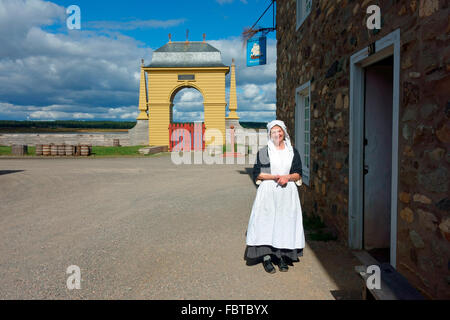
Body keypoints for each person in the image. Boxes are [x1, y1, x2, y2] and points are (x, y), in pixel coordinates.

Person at [244, 120, 305, 273]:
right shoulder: (265, 152)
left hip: (287, 192)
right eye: (273, 132)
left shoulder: (293, 152)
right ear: (269, 134)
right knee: (266, 222)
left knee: (285, 223)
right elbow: (258, 173)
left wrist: (288, 177)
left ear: (284, 133)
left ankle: (282, 257)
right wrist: (275, 177)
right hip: (268, 192)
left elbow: (298, 172)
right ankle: (266, 257)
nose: (277, 134)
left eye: (279, 131)